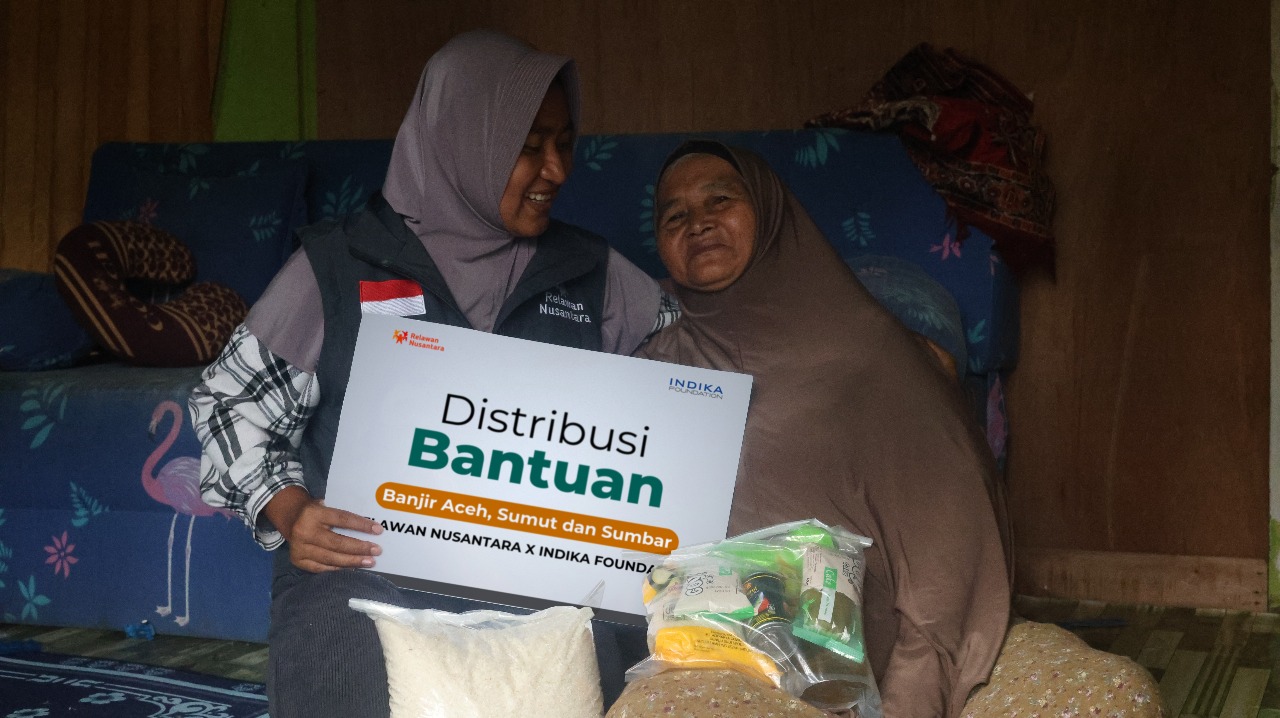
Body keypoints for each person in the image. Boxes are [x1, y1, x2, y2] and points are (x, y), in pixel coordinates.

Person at [189, 30, 671, 718]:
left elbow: (693, 371)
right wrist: (291, 512)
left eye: (565, 144)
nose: (557, 170)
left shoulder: (593, 274)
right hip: (368, 571)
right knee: (341, 664)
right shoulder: (341, 265)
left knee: (609, 662)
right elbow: (227, 403)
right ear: (461, 141)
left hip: (547, 579)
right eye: (530, 146)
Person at [623, 140, 1012, 718]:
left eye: (720, 200)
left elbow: (946, 554)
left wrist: (906, 703)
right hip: (705, 663)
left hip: (863, 674)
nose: (697, 222)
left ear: (769, 211)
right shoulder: (655, 366)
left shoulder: (868, 353)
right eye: (674, 216)